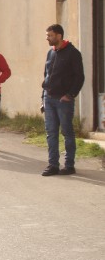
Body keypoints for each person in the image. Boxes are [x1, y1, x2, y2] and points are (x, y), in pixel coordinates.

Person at [41, 24, 84, 176]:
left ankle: (69, 165)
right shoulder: (50, 53)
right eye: (47, 35)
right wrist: (43, 98)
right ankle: (53, 165)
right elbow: (46, 75)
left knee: (67, 132)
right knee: (51, 133)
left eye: (50, 35)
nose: (47, 38)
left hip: (63, 100)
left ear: (59, 36)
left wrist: (70, 95)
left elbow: (79, 77)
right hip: (49, 98)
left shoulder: (73, 53)